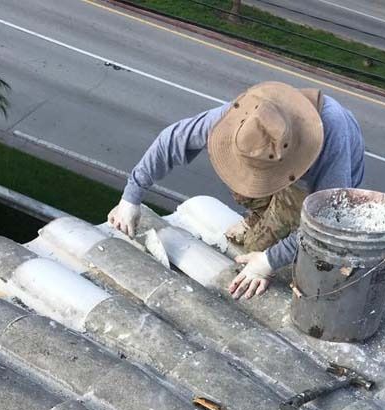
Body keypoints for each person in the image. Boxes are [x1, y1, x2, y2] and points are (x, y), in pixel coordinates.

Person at [108, 81, 365, 300]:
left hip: (313, 189)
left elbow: (329, 223)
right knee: (239, 183)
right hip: (289, 167)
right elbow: (172, 139)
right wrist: (131, 198)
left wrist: (268, 261)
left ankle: (276, 227)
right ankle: (260, 215)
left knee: (256, 247)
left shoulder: (332, 140)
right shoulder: (251, 115)